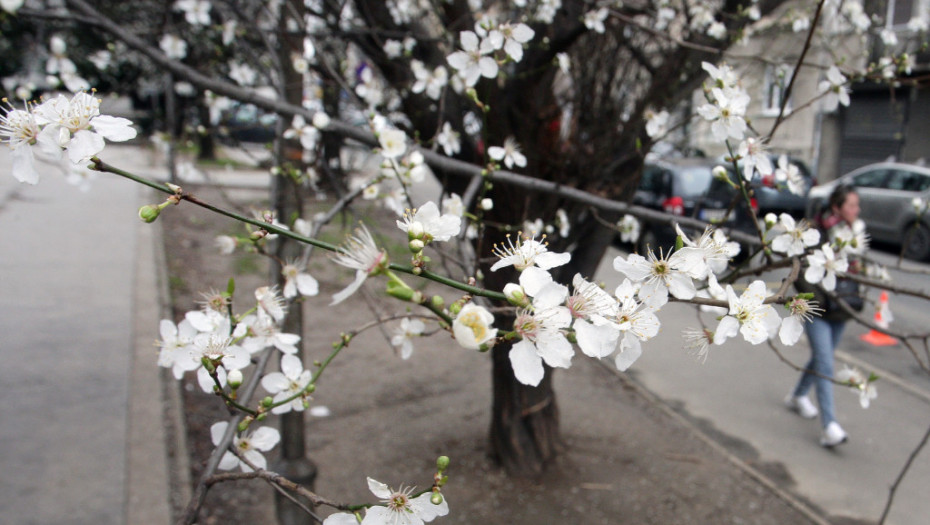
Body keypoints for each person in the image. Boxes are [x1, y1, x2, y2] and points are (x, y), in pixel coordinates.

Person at [785, 184, 862, 448]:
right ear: (836, 207)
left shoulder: (854, 233)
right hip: (818, 309)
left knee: (820, 358)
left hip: (842, 309)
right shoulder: (815, 232)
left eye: (856, 205)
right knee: (826, 364)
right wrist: (819, 301)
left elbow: (857, 267)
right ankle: (830, 426)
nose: (856, 210)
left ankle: (797, 396)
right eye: (851, 205)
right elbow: (801, 270)